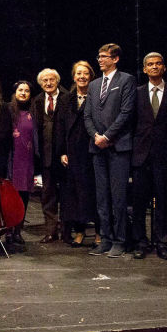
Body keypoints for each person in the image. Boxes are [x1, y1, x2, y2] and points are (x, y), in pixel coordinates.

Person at [84, 43, 136, 258]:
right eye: (99, 56)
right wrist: (96, 136)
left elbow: (126, 113)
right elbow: (87, 115)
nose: (100, 60)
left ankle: (120, 240)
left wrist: (107, 136)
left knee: (118, 197)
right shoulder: (94, 84)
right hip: (98, 148)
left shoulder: (126, 80)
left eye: (104, 56)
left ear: (115, 59)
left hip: (118, 147)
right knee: (102, 197)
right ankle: (105, 239)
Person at [129, 52, 167, 260]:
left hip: (164, 155)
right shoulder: (136, 93)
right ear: (144, 69)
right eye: (150, 64)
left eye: (158, 63)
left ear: (164, 67)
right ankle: (140, 242)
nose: (154, 67)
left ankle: (162, 243)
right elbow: (132, 124)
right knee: (139, 202)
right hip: (141, 155)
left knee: (162, 201)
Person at [56, 61, 99, 248]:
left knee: (94, 194)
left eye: (86, 73)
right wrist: (62, 152)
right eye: (78, 73)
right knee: (74, 195)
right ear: (74, 77)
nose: (82, 77)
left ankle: (99, 233)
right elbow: (60, 127)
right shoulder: (66, 99)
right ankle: (80, 232)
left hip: (92, 151)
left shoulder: (97, 96)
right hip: (72, 152)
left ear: (91, 76)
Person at [31, 68, 71, 243]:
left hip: (64, 155)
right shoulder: (37, 101)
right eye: (45, 81)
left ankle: (67, 232)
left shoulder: (67, 97)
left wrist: (67, 151)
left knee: (67, 195)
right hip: (46, 156)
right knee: (48, 195)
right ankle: (51, 231)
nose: (48, 83)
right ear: (41, 84)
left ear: (57, 81)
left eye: (51, 80)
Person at [6, 80, 35, 247]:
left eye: (27, 91)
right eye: (20, 90)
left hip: (27, 159)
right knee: (10, 197)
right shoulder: (8, 110)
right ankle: (8, 231)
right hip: (12, 158)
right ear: (15, 92)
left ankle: (18, 231)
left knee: (24, 196)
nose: (23, 93)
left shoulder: (33, 111)